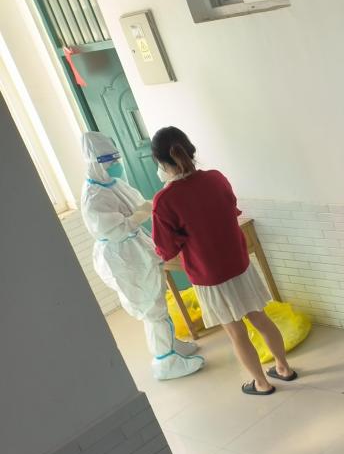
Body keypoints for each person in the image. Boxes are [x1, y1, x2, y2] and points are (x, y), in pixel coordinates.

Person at [149, 127, 296, 396]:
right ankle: (284, 368)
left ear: (159, 161)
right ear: (190, 150)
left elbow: (165, 250)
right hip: (239, 264)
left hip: (209, 277)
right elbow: (231, 209)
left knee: (236, 333)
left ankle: (261, 383)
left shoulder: (164, 201)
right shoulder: (216, 178)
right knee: (261, 319)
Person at [80, 132, 204, 381]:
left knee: (158, 297)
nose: (115, 165)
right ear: (95, 163)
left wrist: (152, 206)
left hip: (135, 246)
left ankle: (170, 344)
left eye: (115, 159)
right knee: (151, 307)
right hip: (121, 257)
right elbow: (113, 229)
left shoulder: (114, 185)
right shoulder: (93, 196)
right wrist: (141, 213)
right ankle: (165, 360)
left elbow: (139, 204)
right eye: (109, 161)